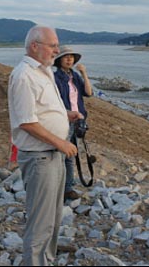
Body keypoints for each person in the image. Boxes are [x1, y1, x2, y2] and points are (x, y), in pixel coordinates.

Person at [8, 25, 82, 266]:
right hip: (41, 157)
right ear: (35, 46)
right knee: (40, 222)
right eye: (53, 46)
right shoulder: (23, 76)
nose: (57, 50)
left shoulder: (44, 71)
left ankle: (46, 259)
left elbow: (42, 110)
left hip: (52, 156)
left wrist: (65, 114)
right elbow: (26, 122)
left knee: (53, 217)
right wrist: (61, 142)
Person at [53, 46, 93, 200]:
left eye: (71, 57)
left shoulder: (74, 76)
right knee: (64, 155)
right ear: (59, 60)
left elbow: (88, 93)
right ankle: (61, 188)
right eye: (65, 57)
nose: (69, 59)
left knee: (71, 154)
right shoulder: (56, 78)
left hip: (78, 120)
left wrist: (84, 73)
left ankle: (67, 188)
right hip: (64, 120)